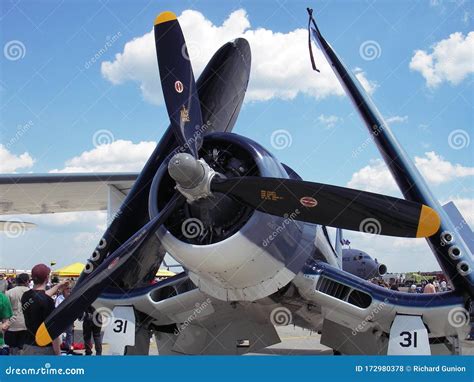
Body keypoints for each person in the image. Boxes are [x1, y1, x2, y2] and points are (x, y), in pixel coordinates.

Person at [21, 264, 67, 355]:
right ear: (47, 278)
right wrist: (58, 353)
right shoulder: (48, 301)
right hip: (44, 348)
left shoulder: (25, 296)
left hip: (27, 345)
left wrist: (58, 286)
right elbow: (52, 330)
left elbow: (40, 296)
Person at [4, 274, 30, 354]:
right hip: (26, 325)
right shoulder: (30, 292)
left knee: (12, 349)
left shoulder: (9, 293)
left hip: (12, 325)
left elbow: (6, 310)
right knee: (23, 349)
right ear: (27, 281)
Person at [55, 284, 74, 354]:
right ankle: (59, 347)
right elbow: (56, 308)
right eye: (67, 288)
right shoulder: (59, 298)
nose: (69, 290)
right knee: (59, 334)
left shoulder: (72, 297)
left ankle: (68, 346)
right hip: (61, 319)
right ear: (64, 290)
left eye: (70, 288)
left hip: (69, 318)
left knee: (69, 333)